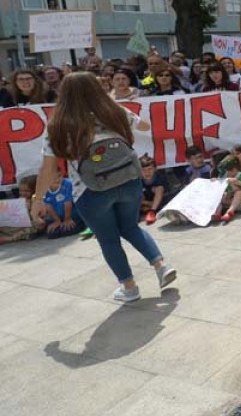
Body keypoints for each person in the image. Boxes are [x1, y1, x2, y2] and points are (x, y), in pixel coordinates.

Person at [30, 72, 176, 303]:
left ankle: (129, 288)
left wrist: (38, 199)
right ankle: (161, 265)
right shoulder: (114, 111)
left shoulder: (58, 125)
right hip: (129, 180)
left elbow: (47, 169)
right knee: (131, 228)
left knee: (108, 239)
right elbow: (145, 125)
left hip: (90, 190)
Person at [42, 168, 85, 239]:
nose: (57, 179)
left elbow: (68, 203)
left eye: (59, 176)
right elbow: (48, 206)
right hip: (59, 216)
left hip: (72, 215)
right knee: (51, 233)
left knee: (67, 229)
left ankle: (82, 224)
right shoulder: (45, 189)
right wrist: (57, 221)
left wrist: (67, 219)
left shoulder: (67, 184)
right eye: (53, 178)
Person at [139, 155, 170, 225]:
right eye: (143, 170)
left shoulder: (159, 178)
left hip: (161, 200)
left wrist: (149, 204)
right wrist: (146, 203)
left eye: (150, 169)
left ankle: (152, 212)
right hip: (146, 202)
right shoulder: (138, 180)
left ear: (155, 169)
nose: (147, 172)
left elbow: (163, 192)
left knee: (159, 188)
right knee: (137, 192)